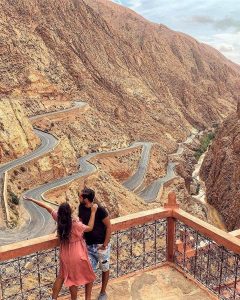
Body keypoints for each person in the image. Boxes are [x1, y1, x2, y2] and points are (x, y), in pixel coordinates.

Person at [23, 196, 97, 300]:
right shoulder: (76, 224)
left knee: (62, 277)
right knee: (82, 277)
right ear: (69, 212)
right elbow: (90, 228)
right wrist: (93, 212)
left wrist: (32, 199)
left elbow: (46, 207)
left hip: (65, 255)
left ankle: (54, 298)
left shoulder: (59, 219)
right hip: (77, 254)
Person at [78, 188, 111, 300]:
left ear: (86, 199)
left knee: (105, 268)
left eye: (80, 196)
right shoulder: (81, 207)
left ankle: (103, 292)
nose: (79, 198)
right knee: (89, 271)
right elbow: (81, 223)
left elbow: (109, 227)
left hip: (101, 246)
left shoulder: (100, 210)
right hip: (88, 247)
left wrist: (105, 244)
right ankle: (88, 297)